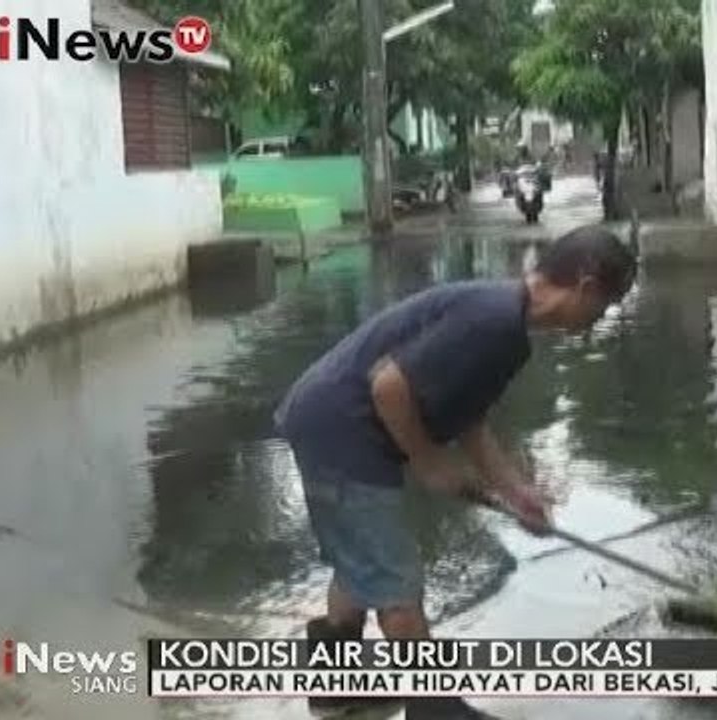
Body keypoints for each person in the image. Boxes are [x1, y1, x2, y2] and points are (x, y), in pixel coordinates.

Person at [273, 225, 638, 719]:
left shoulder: (508, 330)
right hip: (340, 432)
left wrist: (516, 492)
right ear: (585, 286)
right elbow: (388, 387)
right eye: (605, 305)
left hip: (334, 422)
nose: (600, 318)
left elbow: (469, 417)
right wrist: (428, 461)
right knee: (396, 582)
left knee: (361, 560)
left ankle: (336, 687)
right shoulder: (493, 322)